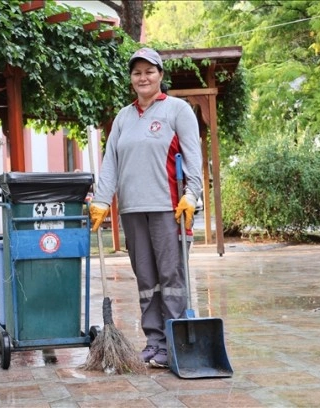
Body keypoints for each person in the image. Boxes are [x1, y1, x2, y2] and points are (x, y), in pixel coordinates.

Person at [89, 47, 203, 368]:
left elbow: (193, 157)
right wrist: (101, 199)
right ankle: (154, 341)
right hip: (132, 209)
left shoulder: (177, 110)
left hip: (169, 207)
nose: (143, 77)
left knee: (171, 275)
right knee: (146, 278)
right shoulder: (123, 118)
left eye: (149, 71)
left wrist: (192, 193)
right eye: (137, 73)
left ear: (160, 75)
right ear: (131, 79)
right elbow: (110, 161)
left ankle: (175, 339)